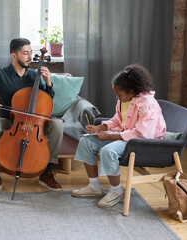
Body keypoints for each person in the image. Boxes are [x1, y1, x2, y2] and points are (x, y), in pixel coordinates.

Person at [0, 38, 64, 197]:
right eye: (25, 53)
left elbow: (46, 101)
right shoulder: (0, 74)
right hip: (8, 121)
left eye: (31, 53)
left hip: (35, 123)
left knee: (58, 125)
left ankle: (46, 173)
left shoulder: (35, 75)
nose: (29, 57)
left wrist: (48, 83)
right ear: (14, 55)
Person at [71, 64, 166, 208]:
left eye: (119, 95)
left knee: (108, 150)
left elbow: (141, 134)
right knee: (86, 141)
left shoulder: (147, 104)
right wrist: (100, 128)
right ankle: (94, 186)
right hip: (125, 136)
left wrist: (109, 136)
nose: (117, 97)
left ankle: (116, 191)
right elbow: (118, 120)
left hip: (142, 142)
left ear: (132, 91)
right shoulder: (125, 101)